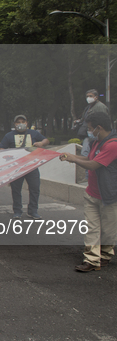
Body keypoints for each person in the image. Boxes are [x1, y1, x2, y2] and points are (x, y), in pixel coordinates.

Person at [60, 112, 117, 272]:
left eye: (91, 128)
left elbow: (94, 165)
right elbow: (90, 159)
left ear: (99, 127)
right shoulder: (96, 142)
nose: (89, 131)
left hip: (110, 196)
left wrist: (73, 160)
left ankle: (105, 256)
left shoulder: (113, 145)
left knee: (108, 230)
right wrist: (74, 156)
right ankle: (91, 260)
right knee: (91, 227)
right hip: (92, 193)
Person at [0, 115, 49, 219]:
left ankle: (33, 210)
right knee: (16, 189)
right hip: (16, 167)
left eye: (22, 121)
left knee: (35, 188)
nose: (20, 124)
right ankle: (17, 211)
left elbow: (46, 140)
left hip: (32, 166)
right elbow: (2, 148)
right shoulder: (9, 135)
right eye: (18, 122)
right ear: (14, 124)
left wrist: (41, 143)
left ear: (26, 123)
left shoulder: (34, 133)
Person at [74, 89, 110, 157]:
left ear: (96, 97)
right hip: (89, 133)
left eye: (91, 96)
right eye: (87, 96)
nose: (88, 98)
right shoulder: (88, 107)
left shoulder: (100, 106)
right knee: (86, 152)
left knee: (86, 152)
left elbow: (104, 120)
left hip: (96, 132)